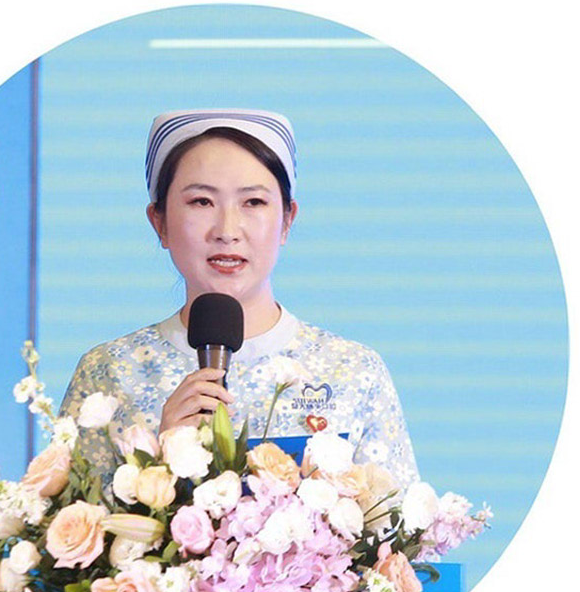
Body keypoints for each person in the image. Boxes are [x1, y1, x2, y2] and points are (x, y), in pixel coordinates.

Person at [59, 109, 419, 490]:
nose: (227, 231)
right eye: (201, 202)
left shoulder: (353, 371)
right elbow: (63, 521)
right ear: (159, 222)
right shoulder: (110, 373)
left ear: (287, 220)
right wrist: (159, 465)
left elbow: (396, 522)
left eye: (253, 202)